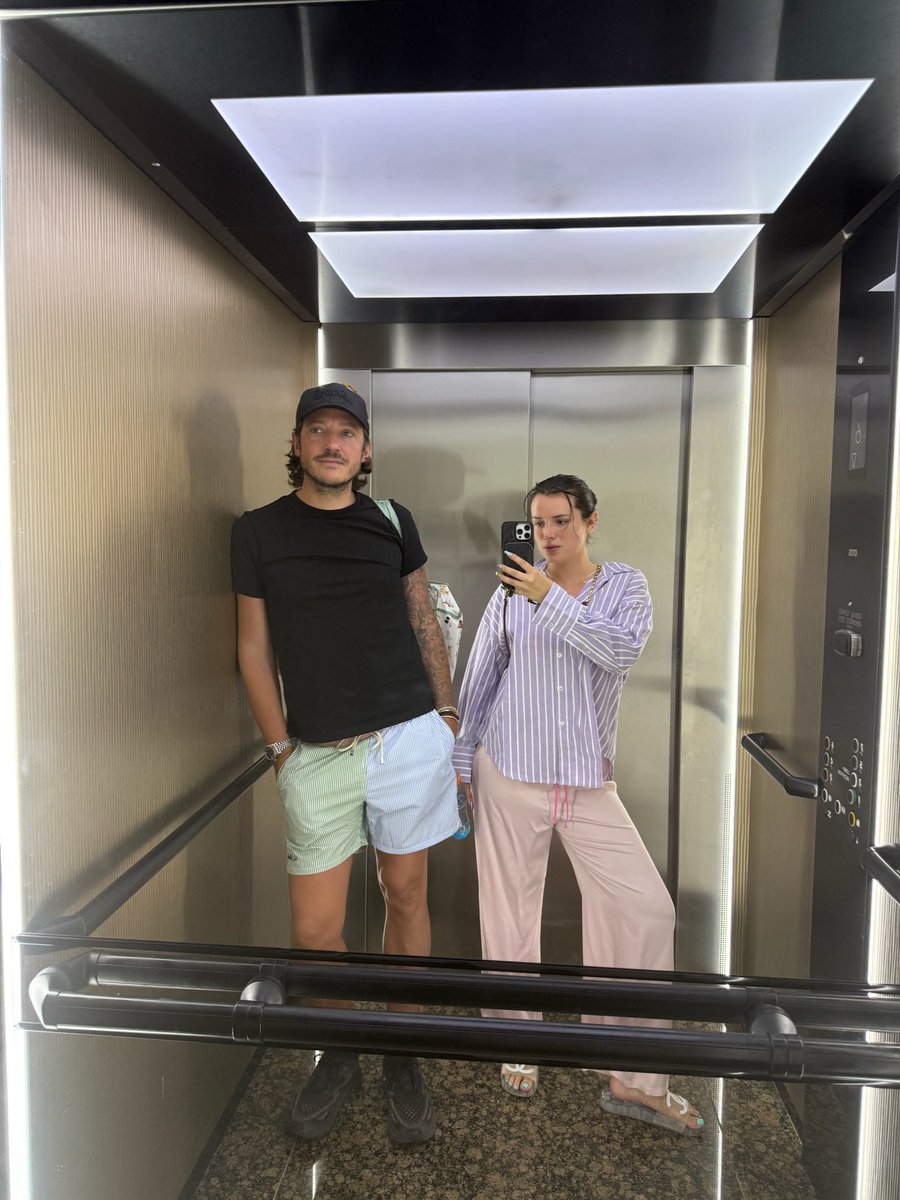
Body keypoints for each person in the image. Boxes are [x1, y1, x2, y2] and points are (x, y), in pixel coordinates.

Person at [230, 382, 459, 1145]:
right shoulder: (257, 531)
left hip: (407, 740)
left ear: (364, 451)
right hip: (316, 756)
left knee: (406, 895)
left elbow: (422, 619)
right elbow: (253, 648)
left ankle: (403, 1050)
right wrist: (279, 749)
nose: (333, 443)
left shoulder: (392, 521)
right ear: (297, 443)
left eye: (347, 433)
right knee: (316, 929)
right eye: (319, 430)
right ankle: (339, 1051)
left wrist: (447, 714)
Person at [452, 473, 703, 1136]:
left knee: (646, 910)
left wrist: (549, 598)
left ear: (590, 521)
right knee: (509, 915)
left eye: (561, 520)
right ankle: (517, 1041)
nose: (548, 535)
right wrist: (462, 761)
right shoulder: (511, 590)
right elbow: (483, 675)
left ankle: (632, 1075)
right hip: (508, 770)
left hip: (587, 781)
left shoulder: (624, 586)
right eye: (538, 523)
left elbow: (619, 652)